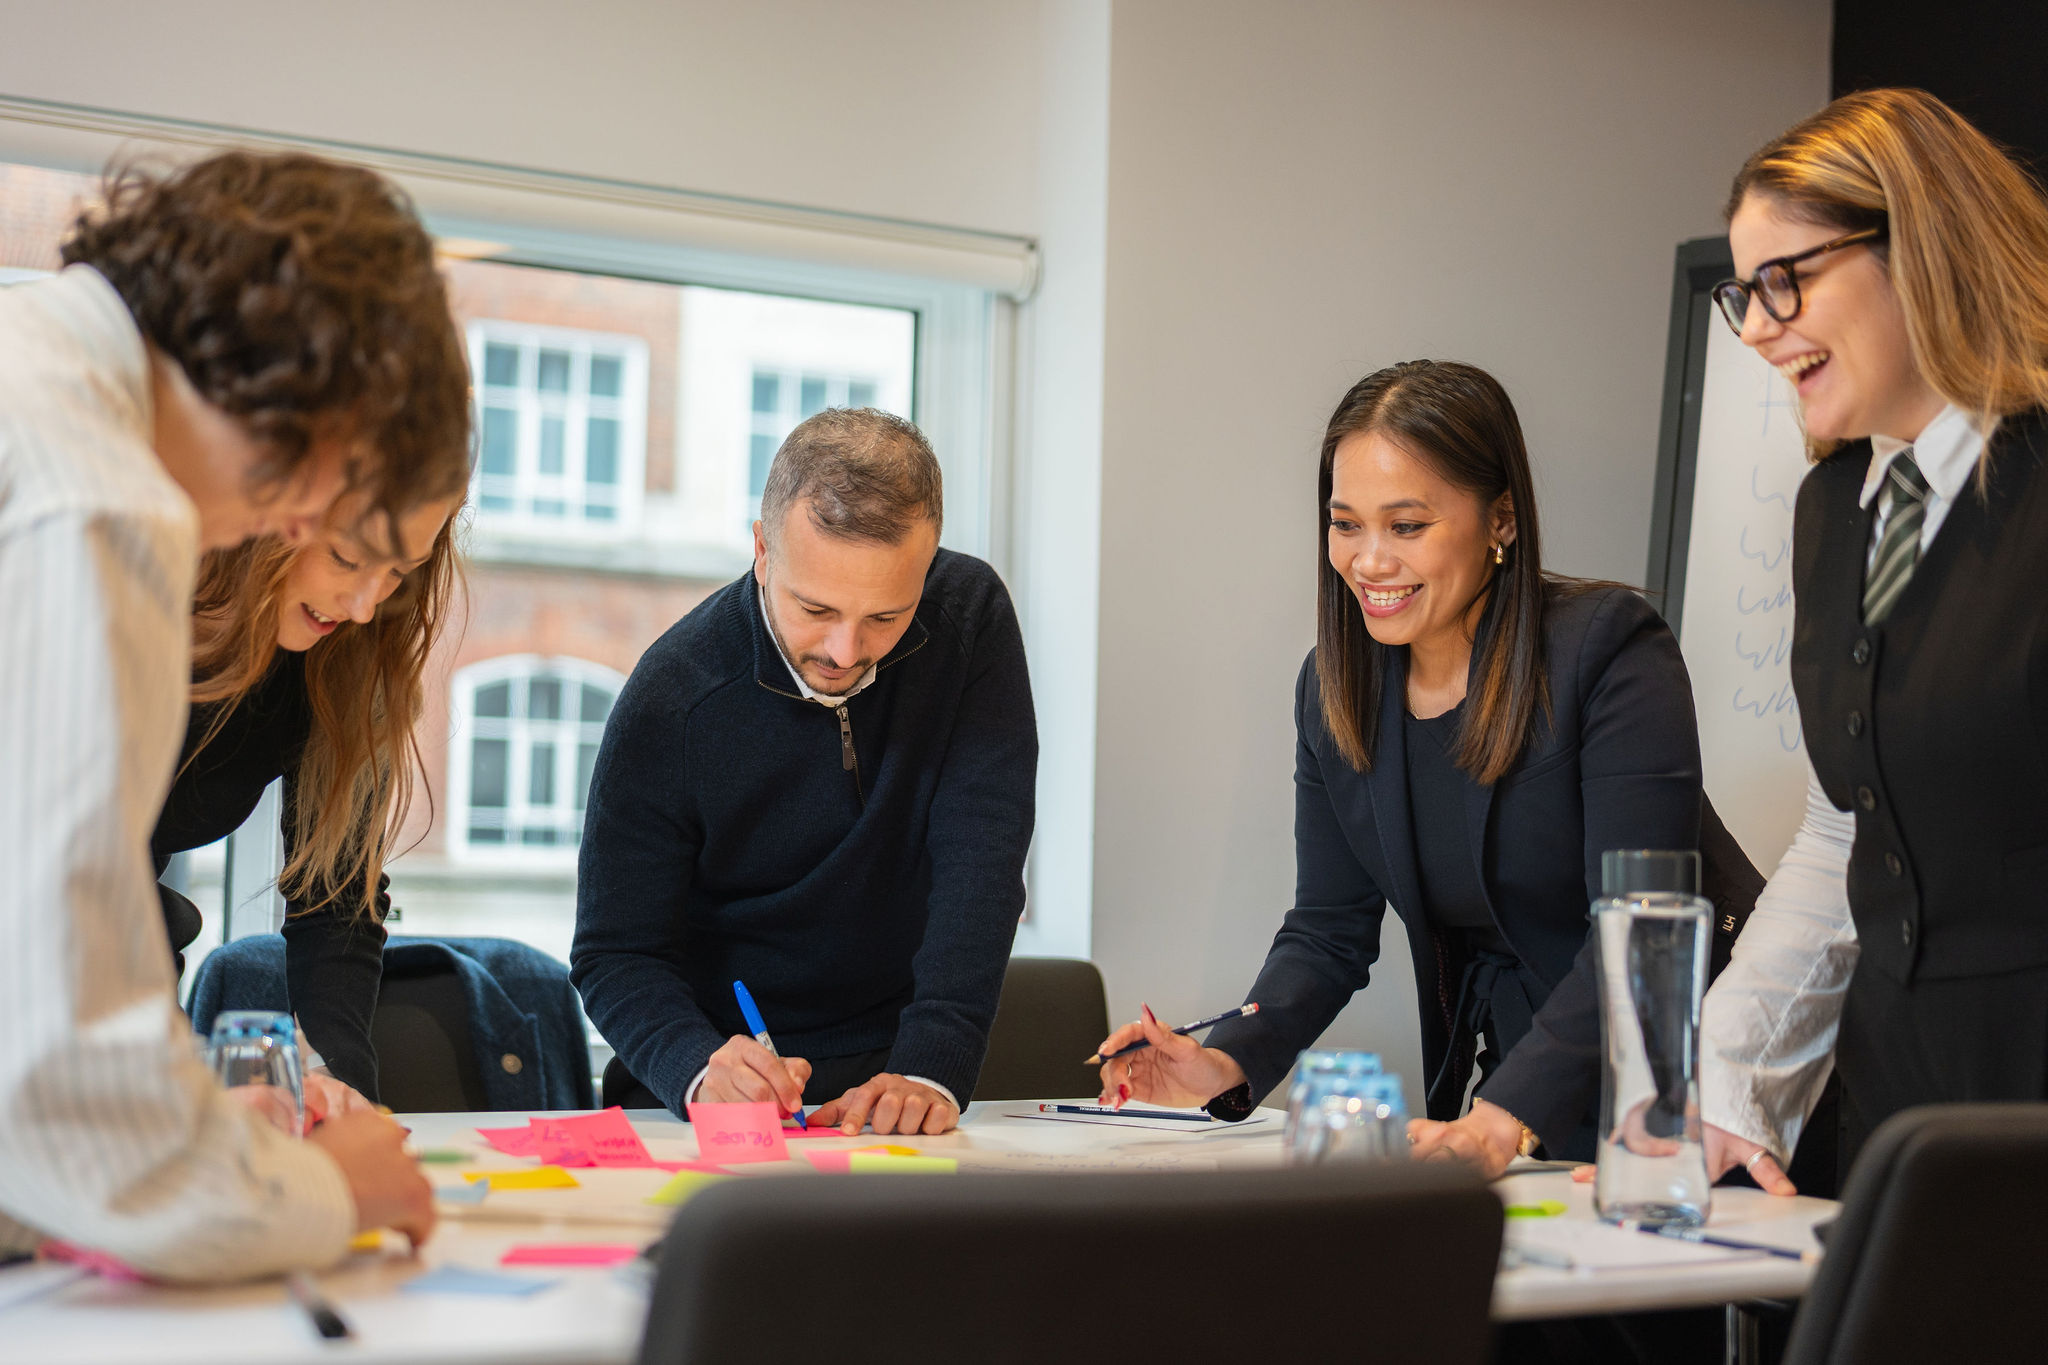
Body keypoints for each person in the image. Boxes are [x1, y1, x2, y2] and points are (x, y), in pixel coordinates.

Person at [1095, 360, 1758, 1176]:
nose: (1369, 561)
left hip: (1692, 1088)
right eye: (1346, 524)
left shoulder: (1608, 650)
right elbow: (1328, 929)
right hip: (1517, 1096)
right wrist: (1227, 1058)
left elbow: (1639, 927)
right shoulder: (1334, 687)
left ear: (1501, 520)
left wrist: (1504, 1114)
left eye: (1406, 526)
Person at [0, 149, 471, 1281]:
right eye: (314, 486)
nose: (293, 522)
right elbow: (69, 1087)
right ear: (285, 383)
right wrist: (325, 1192)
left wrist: (195, 1126)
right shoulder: (100, 500)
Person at [1700, 88, 2048, 1194]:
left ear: (1918, 247)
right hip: (1904, 1113)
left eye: (1783, 281)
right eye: (1743, 295)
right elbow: (1845, 829)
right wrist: (1732, 1080)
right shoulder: (1836, 510)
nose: (1756, 330)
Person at [573, 407, 1037, 1137]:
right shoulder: (674, 697)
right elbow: (615, 951)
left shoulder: (967, 618)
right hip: (714, 1081)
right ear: (763, 550)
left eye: (886, 617)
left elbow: (981, 866)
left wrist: (930, 1067)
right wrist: (696, 1069)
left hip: (897, 1073)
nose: (845, 651)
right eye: (815, 608)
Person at [154, 489, 464, 1108]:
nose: (365, 606)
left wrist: (336, 1088)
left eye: (400, 572)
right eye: (347, 558)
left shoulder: (340, 658)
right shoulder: (110, 602)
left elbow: (337, 902)